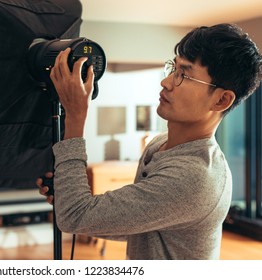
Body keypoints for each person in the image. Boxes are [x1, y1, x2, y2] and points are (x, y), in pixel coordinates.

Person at [36, 23, 262, 259]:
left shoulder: (195, 176)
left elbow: (75, 217)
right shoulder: (160, 144)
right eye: (173, 69)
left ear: (221, 100)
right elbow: (142, 224)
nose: (166, 82)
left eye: (184, 75)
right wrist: (70, 193)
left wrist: (75, 116)